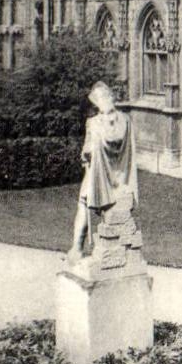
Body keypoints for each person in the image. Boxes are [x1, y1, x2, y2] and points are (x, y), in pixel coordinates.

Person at [68, 82, 136, 261]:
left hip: (100, 177)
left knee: (83, 202)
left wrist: (85, 156)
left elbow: (88, 151)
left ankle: (77, 248)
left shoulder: (94, 123)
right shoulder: (126, 120)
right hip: (121, 177)